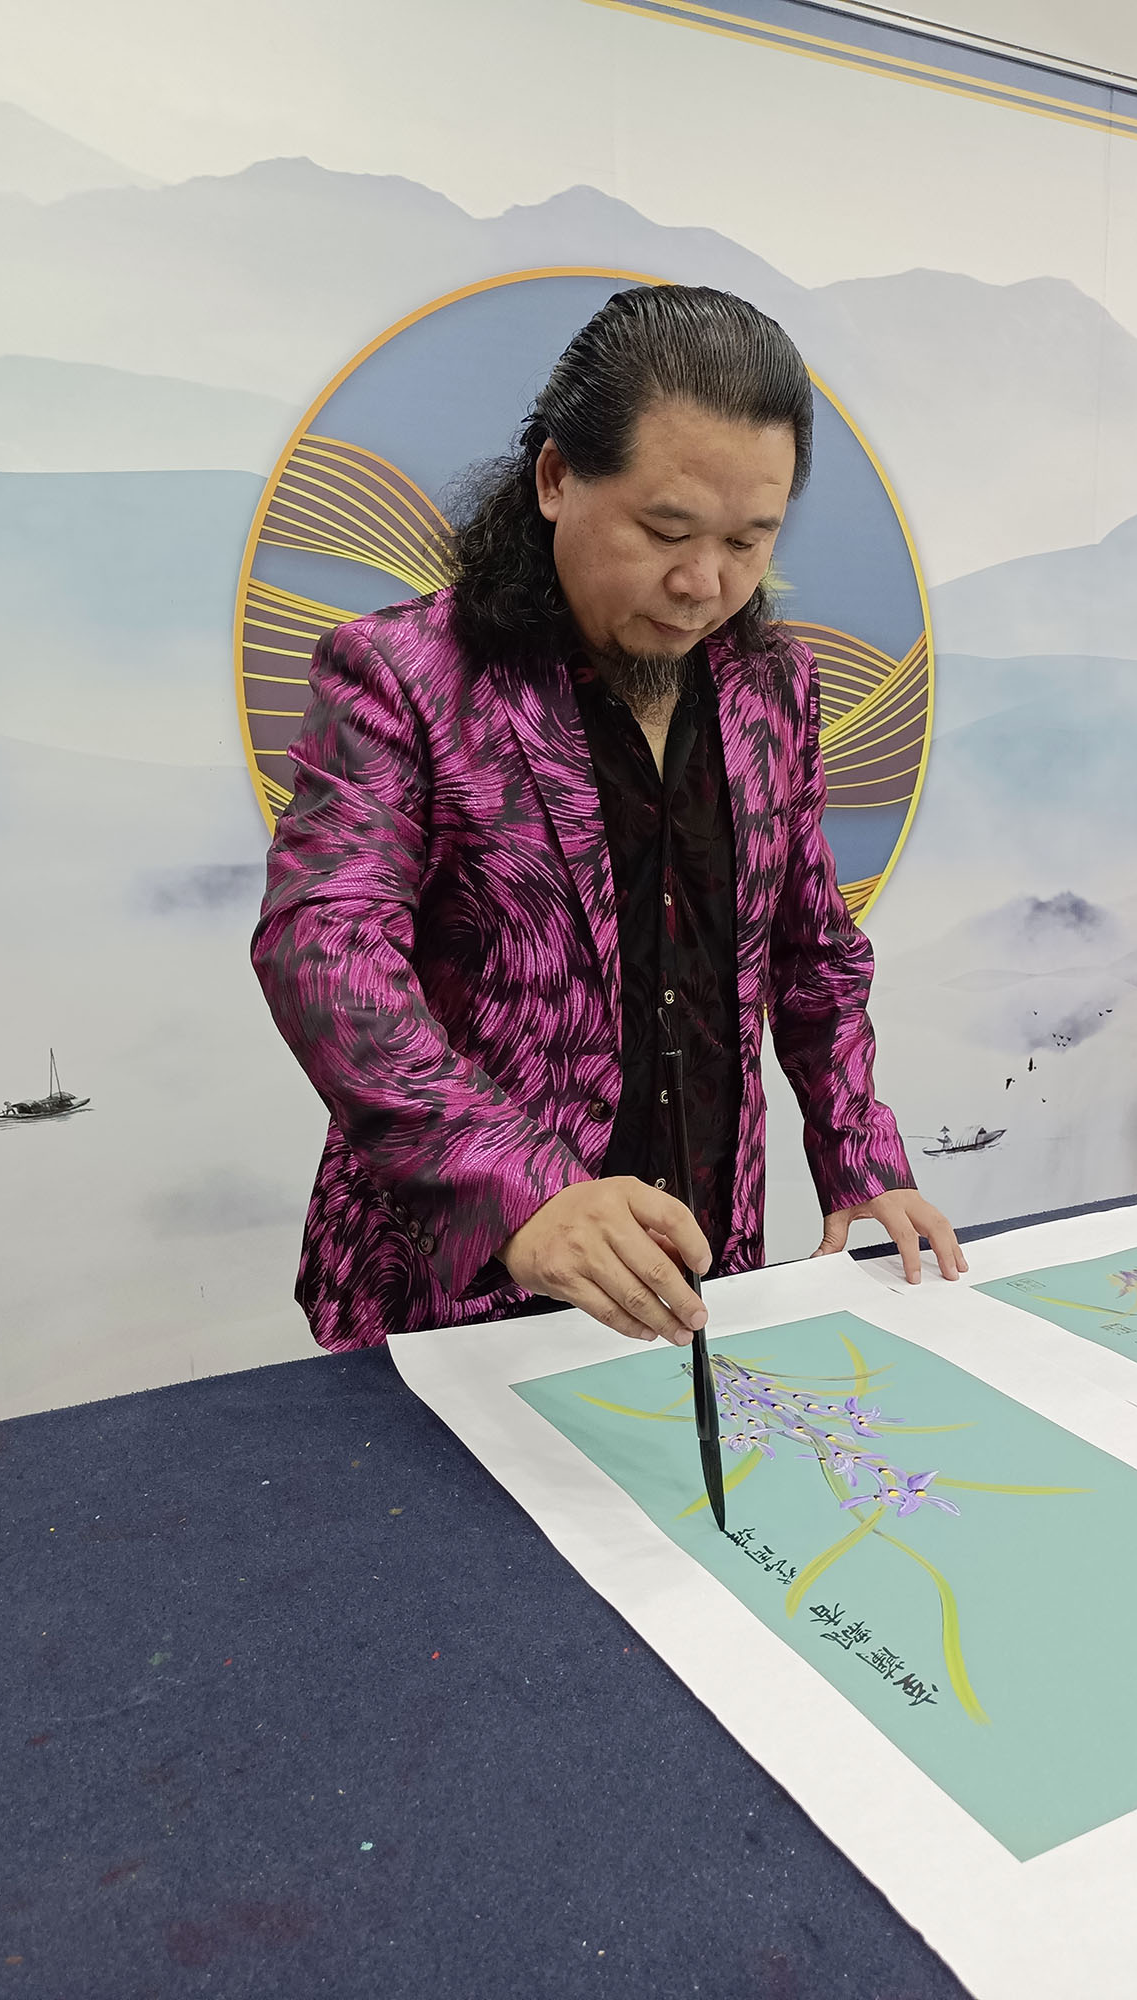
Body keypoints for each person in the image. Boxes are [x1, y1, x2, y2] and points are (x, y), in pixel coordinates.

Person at [252, 284, 965, 1353]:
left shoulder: (773, 687)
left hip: (697, 1269)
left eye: (749, 541)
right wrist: (520, 1187)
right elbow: (324, 947)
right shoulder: (406, 677)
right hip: (461, 1290)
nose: (703, 583)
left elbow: (810, 950)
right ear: (555, 478)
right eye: (665, 530)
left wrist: (859, 1153)